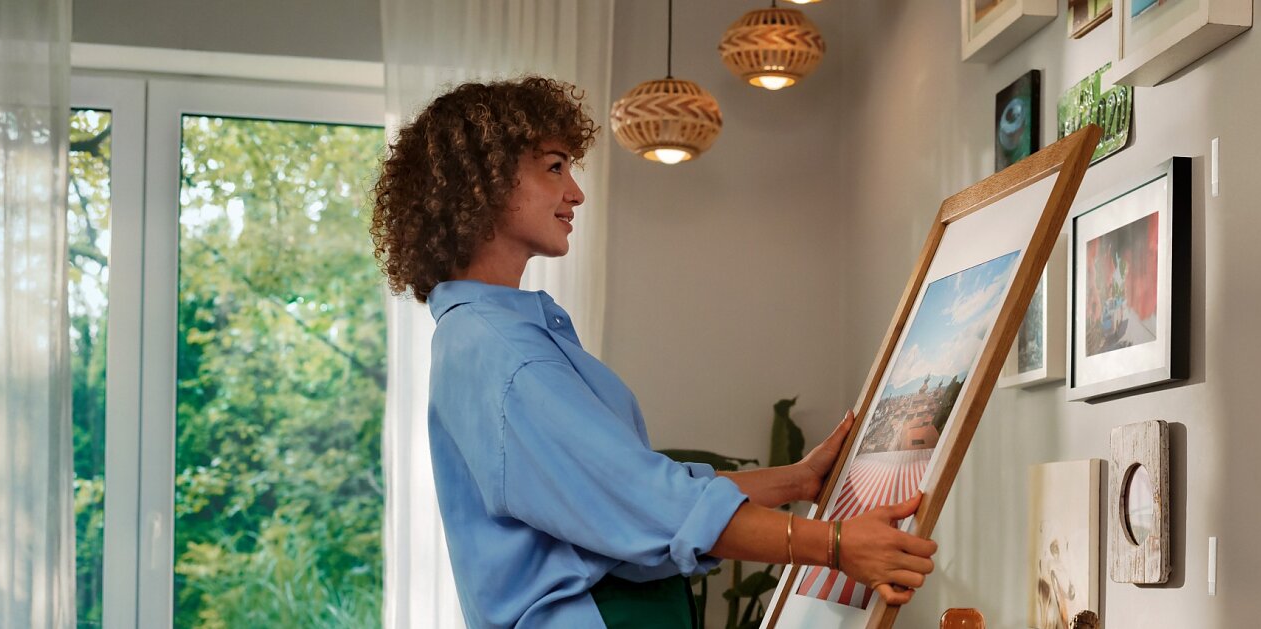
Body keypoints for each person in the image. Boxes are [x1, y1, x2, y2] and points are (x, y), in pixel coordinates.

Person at [368, 76, 938, 628]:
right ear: (483, 184)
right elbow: (643, 501)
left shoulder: (488, 338)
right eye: (554, 166)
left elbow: (634, 486)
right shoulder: (502, 353)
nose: (576, 192)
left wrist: (796, 481)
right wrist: (834, 544)